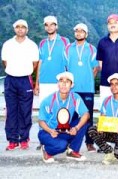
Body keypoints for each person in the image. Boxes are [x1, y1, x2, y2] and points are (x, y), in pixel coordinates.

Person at [1, 19, 39, 150]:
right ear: (14, 29)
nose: (20, 29)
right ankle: (12, 140)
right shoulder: (7, 44)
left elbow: (35, 64)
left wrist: (23, 72)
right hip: (10, 80)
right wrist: (14, 71)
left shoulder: (32, 45)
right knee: (11, 110)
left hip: (25, 80)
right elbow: (5, 62)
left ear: (27, 30)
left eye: (23, 27)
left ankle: (24, 139)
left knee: (25, 110)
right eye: (18, 27)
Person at [38, 71, 89, 163]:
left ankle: (72, 151)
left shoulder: (75, 97)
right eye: (61, 81)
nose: (64, 84)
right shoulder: (48, 100)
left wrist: (76, 128)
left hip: (64, 129)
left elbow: (86, 114)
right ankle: (46, 150)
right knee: (62, 145)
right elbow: (41, 121)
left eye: (67, 81)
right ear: (58, 84)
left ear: (72, 85)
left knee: (84, 122)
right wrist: (50, 130)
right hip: (48, 131)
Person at [64, 23, 98, 152]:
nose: (79, 33)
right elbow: (66, 67)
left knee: (87, 116)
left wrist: (88, 79)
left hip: (87, 88)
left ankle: (89, 143)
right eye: (76, 31)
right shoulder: (68, 48)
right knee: (71, 116)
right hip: (72, 89)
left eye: (82, 31)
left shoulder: (92, 49)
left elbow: (95, 67)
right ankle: (69, 141)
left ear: (86, 34)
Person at [35, 15, 69, 104]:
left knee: (59, 111)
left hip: (59, 82)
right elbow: (40, 63)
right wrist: (37, 83)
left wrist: (68, 82)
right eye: (46, 25)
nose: (49, 27)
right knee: (44, 109)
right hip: (44, 82)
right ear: (45, 27)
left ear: (56, 26)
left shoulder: (65, 41)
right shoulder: (42, 43)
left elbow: (68, 63)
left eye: (52, 24)